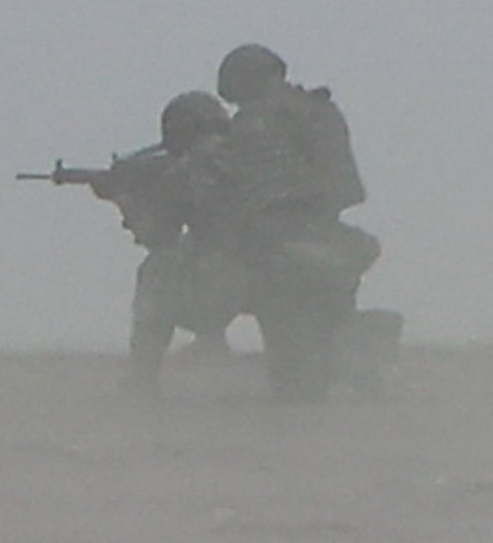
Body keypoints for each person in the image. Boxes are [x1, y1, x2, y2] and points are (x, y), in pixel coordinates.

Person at [205, 42, 387, 402]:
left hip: (281, 243)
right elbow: (347, 187)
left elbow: (233, 193)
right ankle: (344, 360)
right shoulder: (320, 110)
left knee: (272, 311)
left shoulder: (253, 122)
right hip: (324, 235)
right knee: (326, 313)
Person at [104, 92, 249, 395]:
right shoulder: (250, 153)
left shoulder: (193, 166)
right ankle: (213, 342)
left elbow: (159, 235)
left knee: (158, 271)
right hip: (266, 258)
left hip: (229, 269)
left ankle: (141, 378)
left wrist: (124, 199)